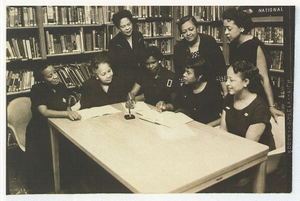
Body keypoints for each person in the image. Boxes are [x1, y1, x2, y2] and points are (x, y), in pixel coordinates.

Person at [25, 64, 81, 193]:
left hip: (60, 124)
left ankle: (66, 184)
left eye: (55, 72)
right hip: (40, 129)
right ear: (42, 79)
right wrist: (67, 114)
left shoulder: (61, 86)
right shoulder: (37, 89)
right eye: (50, 76)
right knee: (47, 155)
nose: (55, 76)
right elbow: (44, 112)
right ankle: (49, 189)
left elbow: (66, 106)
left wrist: (70, 115)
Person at [222, 7, 284, 122]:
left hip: (255, 97)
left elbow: (264, 77)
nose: (226, 33)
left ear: (241, 28)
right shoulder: (233, 45)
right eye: (225, 28)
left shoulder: (255, 46)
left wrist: (271, 106)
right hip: (239, 93)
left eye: (229, 29)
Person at [220, 60, 275, 150]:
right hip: (234, 148)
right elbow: (223, 131)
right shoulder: (229, 97)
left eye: (231, 80)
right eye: (227, 79)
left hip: (257, 155)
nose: (227, 83)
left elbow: (248, 145)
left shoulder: (260, 107)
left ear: (245, 82)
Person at [157, 57, 224, 125]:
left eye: (188, 73)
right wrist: (165, 106)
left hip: (209, 128)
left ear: (199, 76)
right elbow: (175, 104)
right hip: (192, 125)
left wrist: (207, 127)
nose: (184, 75)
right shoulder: (186, 87)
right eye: (185, 71)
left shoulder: (212, 90)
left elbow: (223, 117)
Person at [173, 15, 228, 96]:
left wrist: (225, 92)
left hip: (211, 87)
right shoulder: (178, 47)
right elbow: (180, 74)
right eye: (184, 32)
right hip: (189, 88)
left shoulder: (209, 41)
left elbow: (221, 70)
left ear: (196, 28)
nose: (188, 33)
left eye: (191, 29)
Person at [108, 9, 146, 92]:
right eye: (123, 26)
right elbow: (115, 66)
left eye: (129, 24)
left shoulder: (138, 36)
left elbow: (144, 57)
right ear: (119, 28)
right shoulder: (114, 42)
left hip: (141, 77)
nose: (127, 28)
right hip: (124, 81)